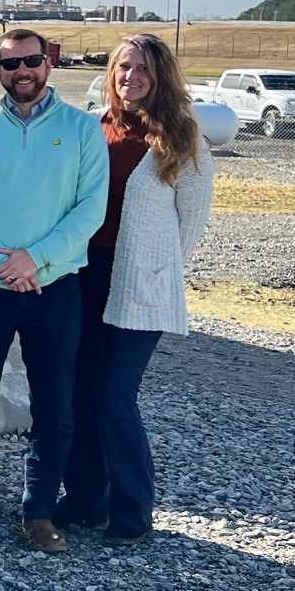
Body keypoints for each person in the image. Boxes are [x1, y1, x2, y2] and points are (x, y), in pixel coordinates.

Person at [0, 28, 108, 552]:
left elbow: (90, 208)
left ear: (48, 65)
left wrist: (36, 258)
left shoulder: (81, 130)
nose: (22, 72)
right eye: (11, 65)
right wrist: (2, 262)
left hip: (53, 287)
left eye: (31, 61)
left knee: (54, 405)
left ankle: (38, 513)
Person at [55, 34, 213, 545]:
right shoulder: (94, 129)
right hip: (84, 275)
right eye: (124, 67)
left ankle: (132, 511)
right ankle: (83, 502)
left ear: (160, 75)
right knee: (80, 392)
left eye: (142, 69)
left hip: (140, 283)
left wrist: (157, 271)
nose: (131, 77)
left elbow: (191, 222)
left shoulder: (182, 137)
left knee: (115, 395)